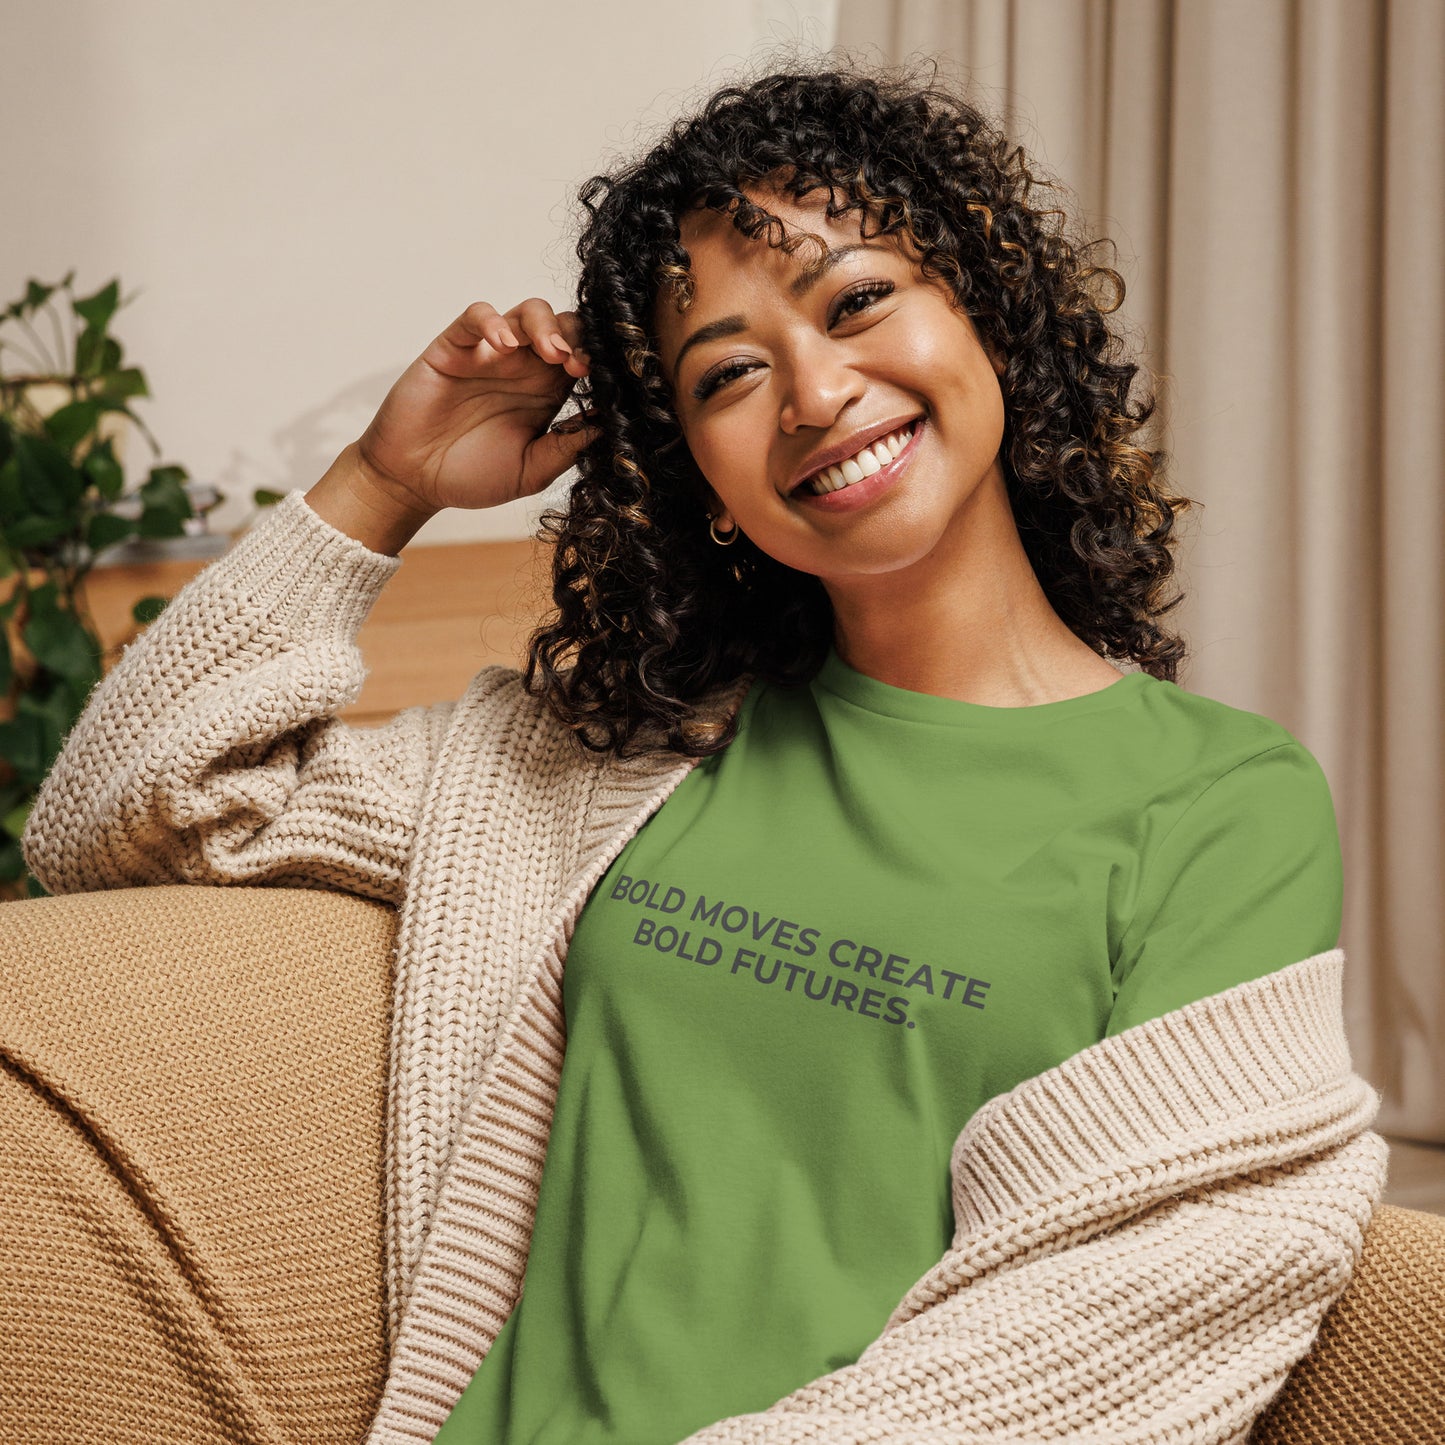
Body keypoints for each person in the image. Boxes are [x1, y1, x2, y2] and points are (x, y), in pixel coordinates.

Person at [16, 62, 1385, 1445]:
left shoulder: (1215, 799)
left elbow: (1137, 1300)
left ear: (986, 315)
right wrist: (383, 483)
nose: (811, 390)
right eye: (728, 371)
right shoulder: (608, 763)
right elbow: (127, 814)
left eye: (857, 300)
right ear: (701, 479)